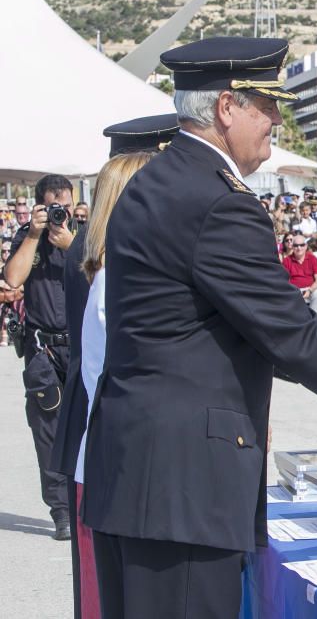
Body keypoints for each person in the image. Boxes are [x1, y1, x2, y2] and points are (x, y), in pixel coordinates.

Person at [83, 37, 317, 619]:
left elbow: (240, 326)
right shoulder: (217, 200)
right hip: (183, 486)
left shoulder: (159, 180)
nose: (277, 119)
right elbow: (291, 334)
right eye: (267, 104)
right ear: (227, 107)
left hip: (143, 472)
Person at [57, 115, 176, 619]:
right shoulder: (108, 260)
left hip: (97, 430)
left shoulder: (91, 248)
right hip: (110, 434)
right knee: (107, 589)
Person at [3, 174, 77, 541]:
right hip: (42, 348)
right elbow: (14, 279)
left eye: (64, 204)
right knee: (47, 430)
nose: (59, 212)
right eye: (52, 206)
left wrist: (72, 245)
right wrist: (33, 234)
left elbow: (106, 276)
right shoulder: (27, 237)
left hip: (81, 347)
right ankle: (61, 511)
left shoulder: (86, 235)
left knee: (92, 426)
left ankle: (88, 505)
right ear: (39, 206)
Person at [283, 233, 317, 322]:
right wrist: (295, 291)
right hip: (294, 290)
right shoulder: (287, 261)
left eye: (301, 245)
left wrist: (310, 290)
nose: (299, 248)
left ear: (306, 246)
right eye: (296, 245)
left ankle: (312, 322)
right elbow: (284, 281)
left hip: (310, 289)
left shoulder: (312, 258)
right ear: (292, 247)